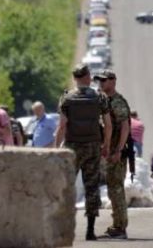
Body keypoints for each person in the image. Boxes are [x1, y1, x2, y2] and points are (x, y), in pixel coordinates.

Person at [55, 64, 112, 241]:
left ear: (75, 78)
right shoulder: (100, 97)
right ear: (88, 77)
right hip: (93, 146)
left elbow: (62, 126)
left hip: (72, 147)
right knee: (92, 187)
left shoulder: (66, 97)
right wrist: (106, 145)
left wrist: (57, 149)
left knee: (66, 187)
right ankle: (90, 229)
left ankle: (63, 228)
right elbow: (108, 125)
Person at [95, 69, 131, 240]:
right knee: (112, 189)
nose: (101, 83)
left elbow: (125, 127)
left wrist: (118, 150)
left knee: (116, 189)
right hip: (109, 152)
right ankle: (117, 224)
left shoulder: (117, 102)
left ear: (113, 81)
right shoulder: (104, 100)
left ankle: (121, 227)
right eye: (99, 80)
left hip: (117, 153)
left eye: (104, 80)